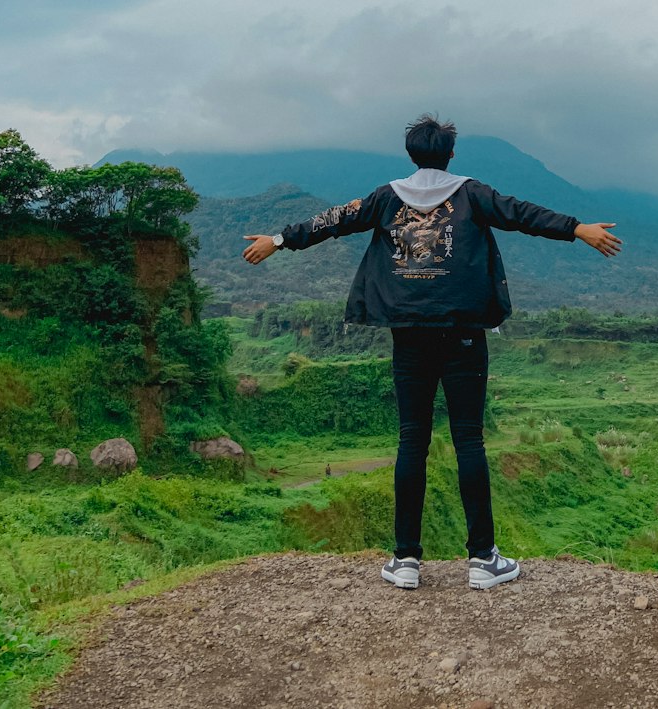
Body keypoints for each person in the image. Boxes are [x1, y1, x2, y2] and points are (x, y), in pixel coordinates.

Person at [242, 114, 621, 591]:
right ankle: (484, 560)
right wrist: (578, 228)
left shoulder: (385, 197)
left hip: (409, 335)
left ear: (411, 153)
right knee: (469, 440)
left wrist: (277, 240)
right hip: (463, 334)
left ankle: (405, 561)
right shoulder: (472, 193)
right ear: (451, 154)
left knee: (411, 441)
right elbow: (522, 214)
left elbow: (333, 220)